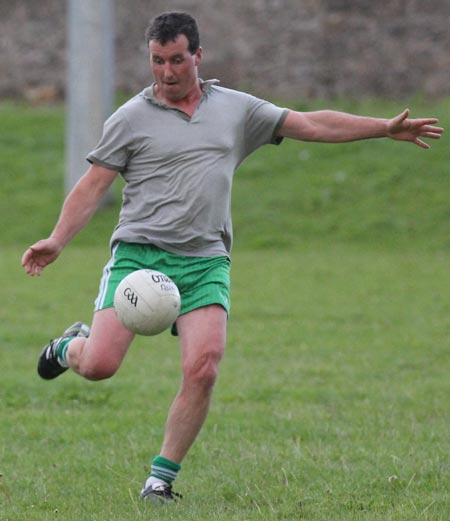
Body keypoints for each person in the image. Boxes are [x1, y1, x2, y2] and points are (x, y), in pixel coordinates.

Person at [22, 11, 443, 503]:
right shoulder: (130, 119)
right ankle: (69, 346)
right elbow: (93, 185)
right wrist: (56, 239)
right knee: (99, 367)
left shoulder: (236, 110)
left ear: (198, 56)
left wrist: (380, 128)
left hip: (204, 259)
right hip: (141, 258)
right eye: (157, 61)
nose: (166, 72)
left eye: (177, 60)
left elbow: (308, 123)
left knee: (204, 367)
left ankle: (160, 481)